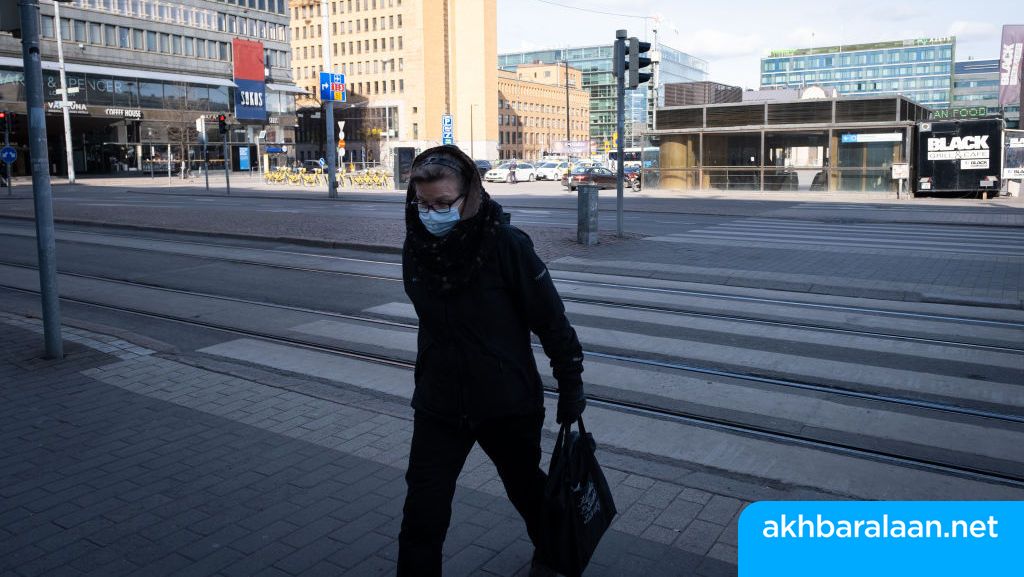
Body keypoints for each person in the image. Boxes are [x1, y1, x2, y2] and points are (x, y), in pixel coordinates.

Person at [398, 145, 586, 576]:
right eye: (423, 204)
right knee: (422, 514)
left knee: (526, 490)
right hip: (439, 405)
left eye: (444, 204)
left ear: (471, 198)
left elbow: (551, 319)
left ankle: (557, 555)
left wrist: (571, 383)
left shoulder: (505, 245)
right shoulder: (417, 247)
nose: (431, 213)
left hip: (505, 403)